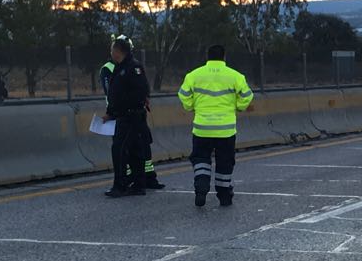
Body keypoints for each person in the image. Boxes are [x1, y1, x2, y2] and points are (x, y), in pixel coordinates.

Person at [178, 44, 254, 208]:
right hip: (225, 130)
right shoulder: (235, 76)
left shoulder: (194, 75)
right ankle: (224, 195)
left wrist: (191, 107)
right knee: (225, 162)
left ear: (207, 57)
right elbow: (247, 96)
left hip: (202, 127)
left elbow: (183, 94)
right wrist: (238, 107)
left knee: (200, 158)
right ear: (224, 57)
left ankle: (201, 185)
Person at [101, 36, 163, 189]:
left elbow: (140, 89)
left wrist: (142, 100)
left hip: (129, 114)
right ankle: (133, 180)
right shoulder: (111, 68)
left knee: (137, 147)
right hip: (120, 114)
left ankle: (142, 180)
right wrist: (112, 112)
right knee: (127, 148)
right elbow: (112, 94)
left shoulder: (130, 66)